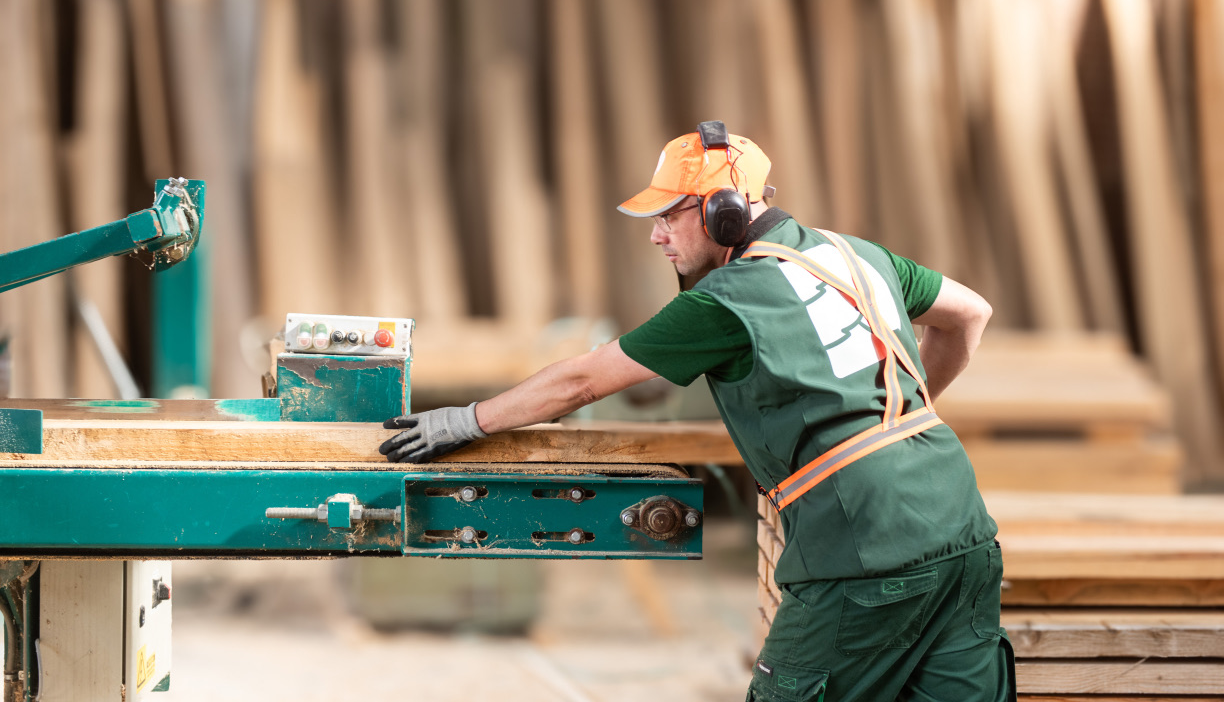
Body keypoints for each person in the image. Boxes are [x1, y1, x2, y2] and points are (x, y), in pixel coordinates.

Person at [380, 121, 1014, 701]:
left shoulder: (729, 298)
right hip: (960, 521)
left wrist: (461, 421)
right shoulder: (857, 256)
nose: (656, 234)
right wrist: (896, 415)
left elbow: (580, 381)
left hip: (864, 545)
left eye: (667, 216)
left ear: (724, 212)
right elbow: (970, 314)